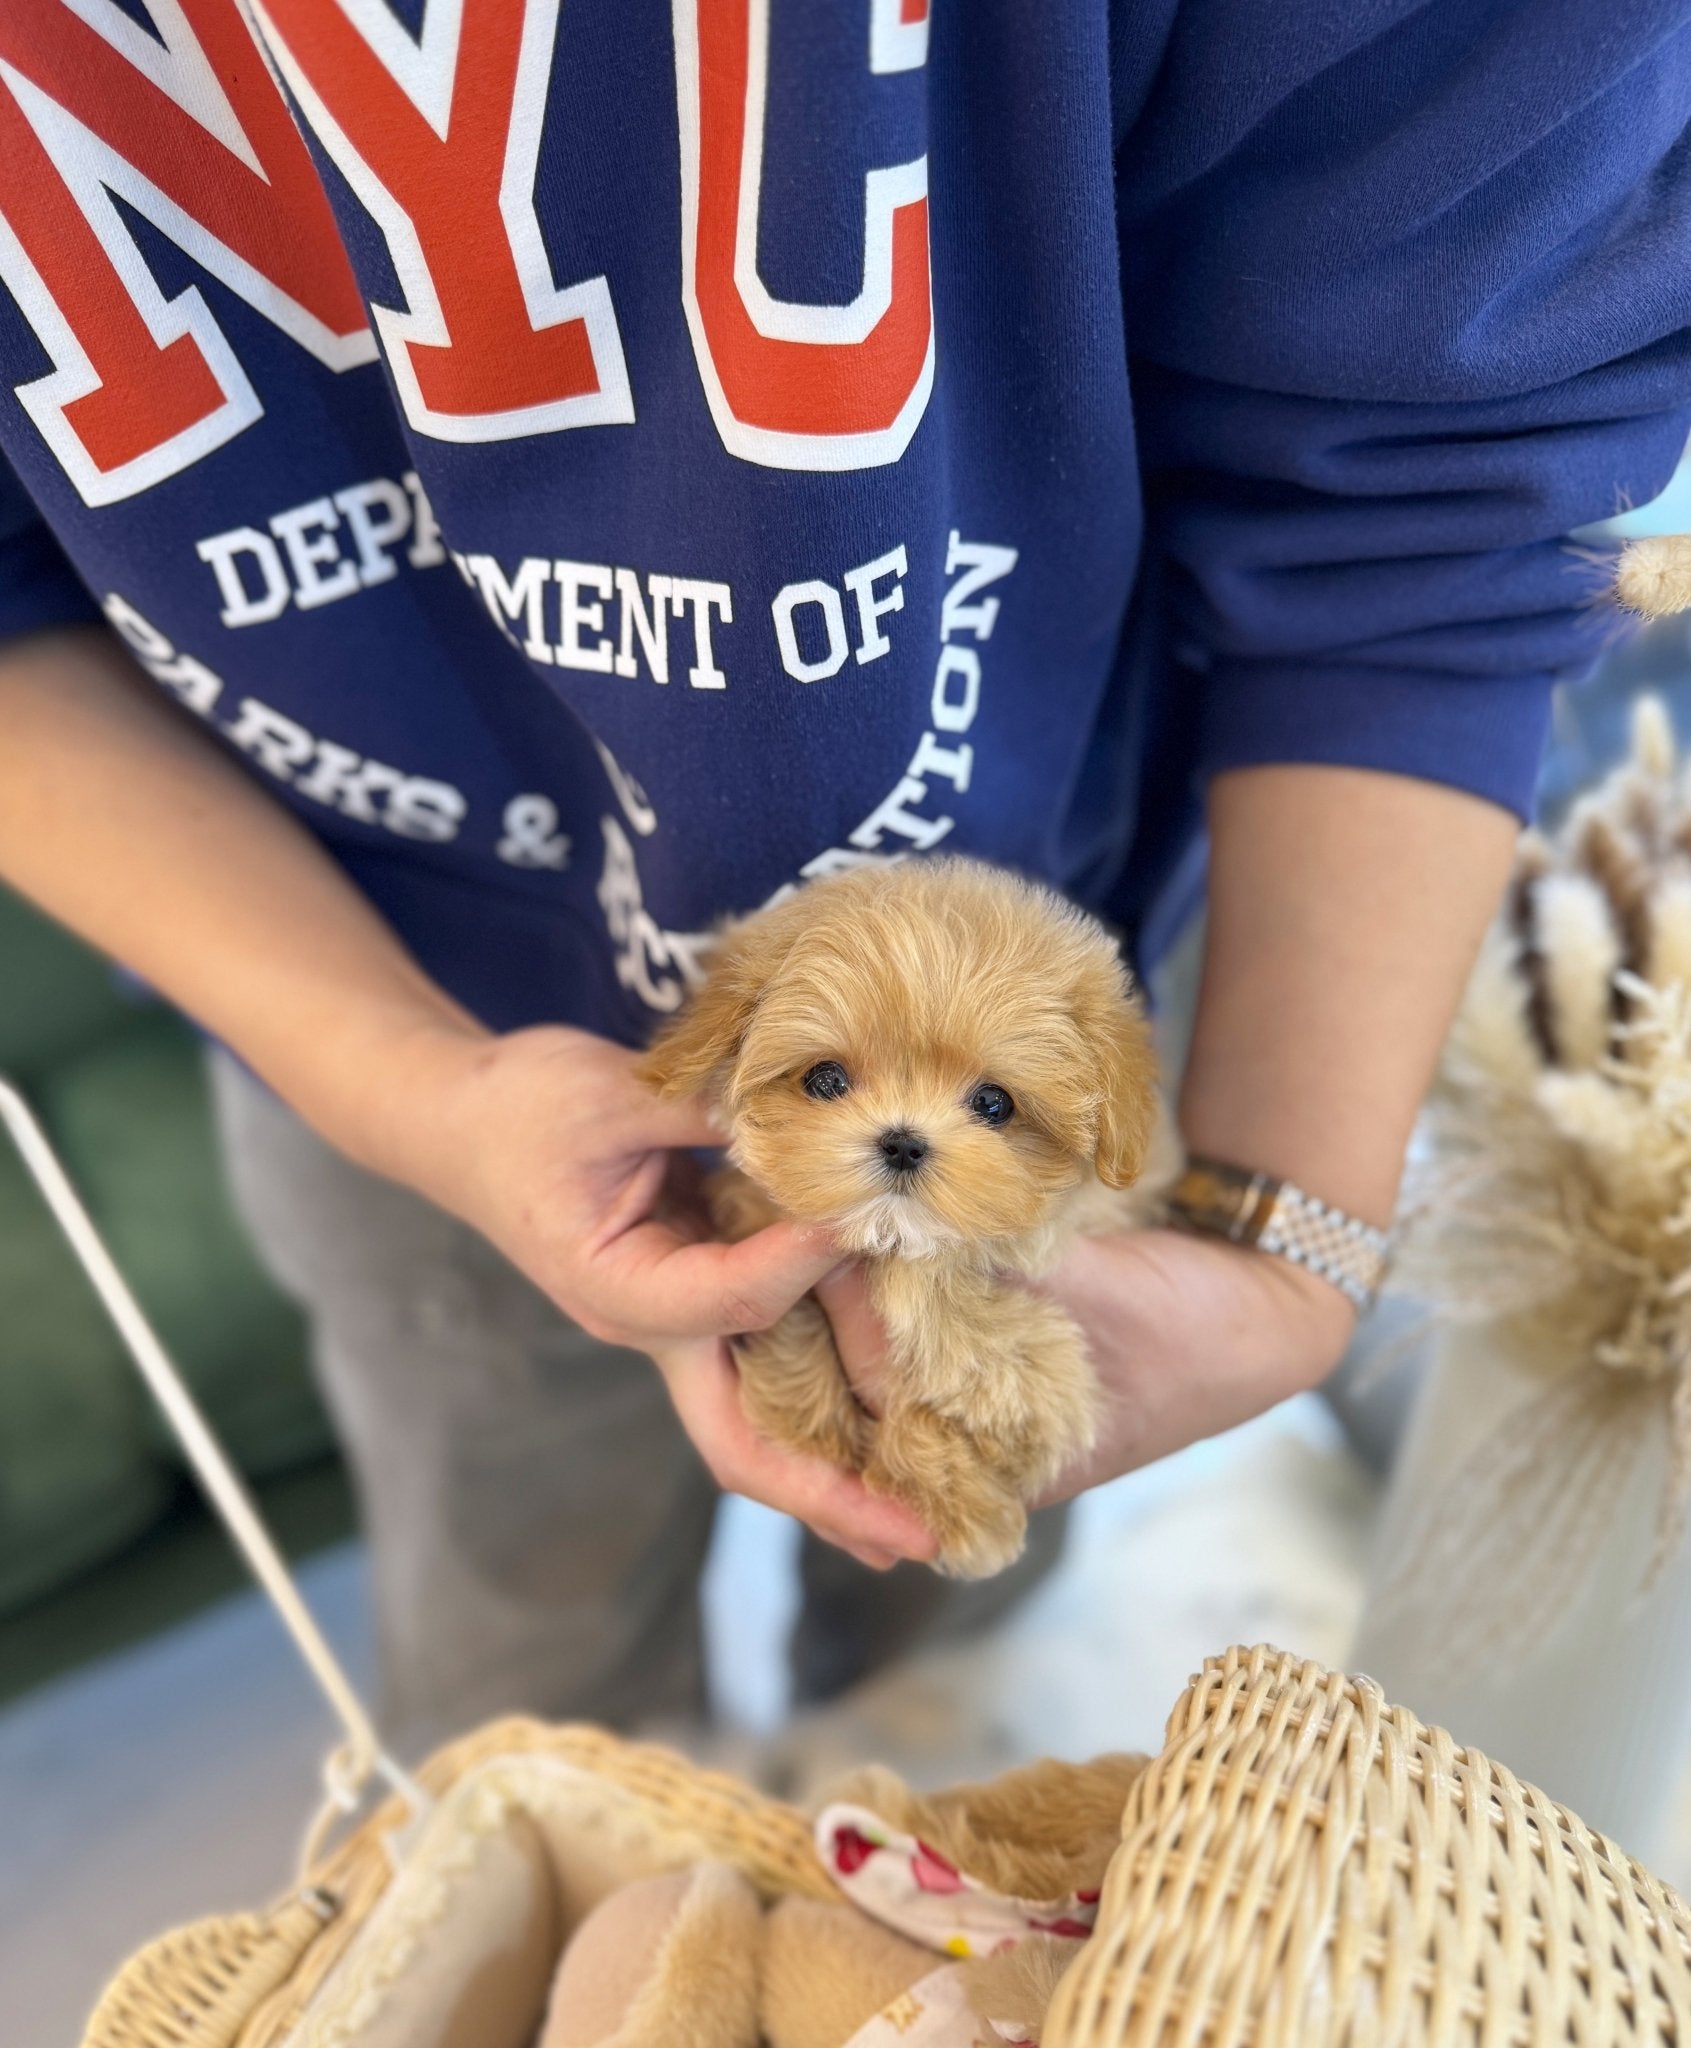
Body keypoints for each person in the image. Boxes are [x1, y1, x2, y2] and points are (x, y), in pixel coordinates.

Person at [0, 0, 1686, 1740]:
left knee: (964, 1621)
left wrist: (1288, 1226)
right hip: (360, 1005)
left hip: (1080, 923)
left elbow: (1440, 465)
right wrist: (415, 1088)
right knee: (533, 1666)